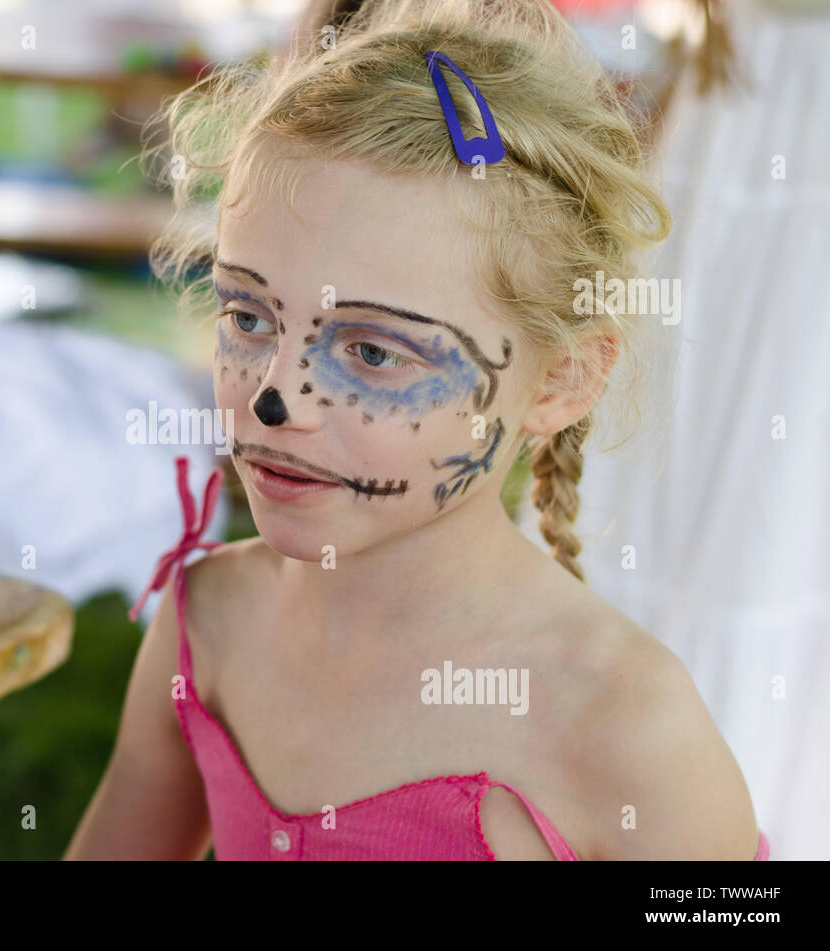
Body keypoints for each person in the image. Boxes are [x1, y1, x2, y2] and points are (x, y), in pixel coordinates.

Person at [64, 0, 769, 860]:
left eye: (371, 349)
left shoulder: (626, 727)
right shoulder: (206, 624)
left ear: (561, 379)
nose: (278, 395)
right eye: (248, 316)